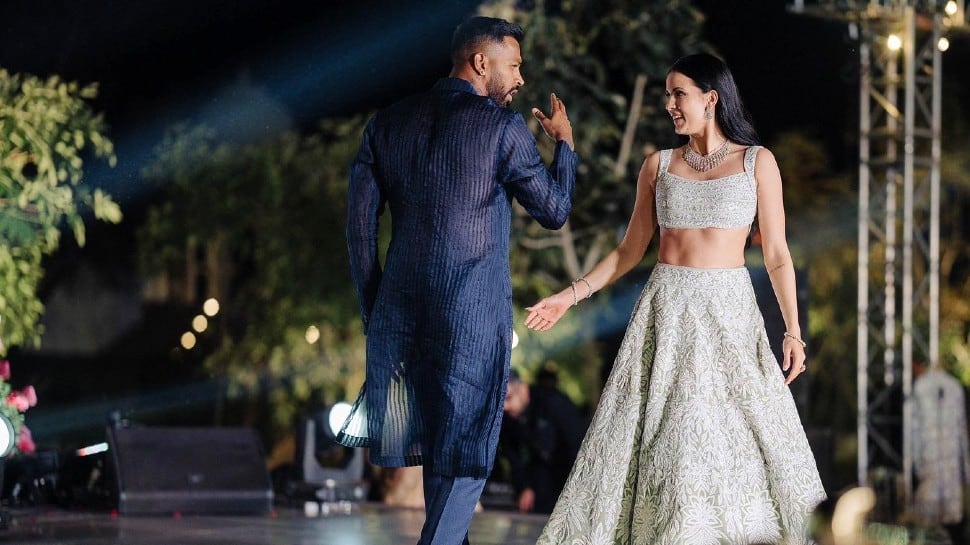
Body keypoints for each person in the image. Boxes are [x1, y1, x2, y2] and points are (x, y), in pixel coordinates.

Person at [524, 53, 825, 545]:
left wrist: (792, 330)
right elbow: (627, 252)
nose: (669, 105)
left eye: (678, 93)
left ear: (711, 98)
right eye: (667, 94)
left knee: (738, 436)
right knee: (670, 437)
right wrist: (568, 296)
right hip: (667, 314)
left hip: (729, 316)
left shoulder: (757, 162)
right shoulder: (658, 166)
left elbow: (777, 256)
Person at [338, 15, 578, 545]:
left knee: (440, 456)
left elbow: (358, 232)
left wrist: (376, 312)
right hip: (470, 318)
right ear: (480, 62)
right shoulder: (502, 128)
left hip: (399, 321)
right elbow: (555, 210)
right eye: (513, 65)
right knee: (466, 455)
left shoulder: (385, 124)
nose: (519, 77)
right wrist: (565, 146)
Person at [498, 368, 585, 514]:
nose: (505, 407)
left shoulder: (554, 403)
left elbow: (576, 445)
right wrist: (524, 486)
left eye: (509, 398)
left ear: (523, 390)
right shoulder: (508, 420)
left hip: (569, 475)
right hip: (540, 482)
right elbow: (512, 455)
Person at [912, 359, 970, 544]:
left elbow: (912, 431)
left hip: (930, 468)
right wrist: (966, 471)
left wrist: (915, 464)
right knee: (950, 525)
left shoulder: (920, 387)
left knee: (929, 528)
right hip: (950, 471)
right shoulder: (955, 387)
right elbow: (962, 431)